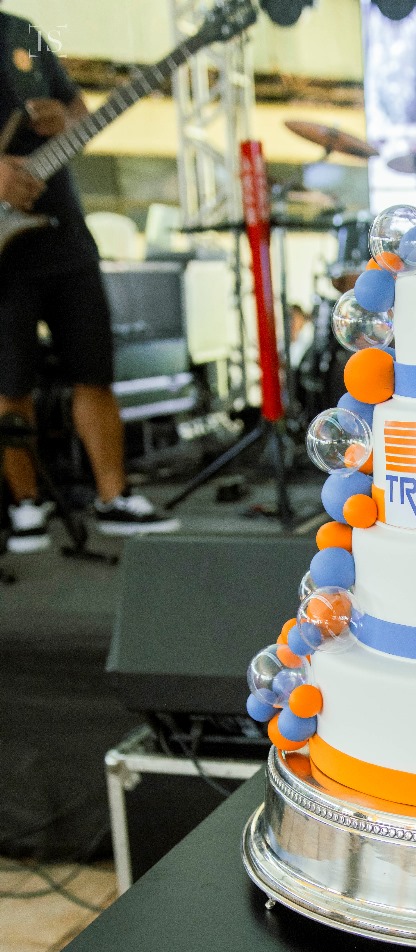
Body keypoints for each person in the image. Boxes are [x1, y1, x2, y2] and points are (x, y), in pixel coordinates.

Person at [0, 8, 177, 551]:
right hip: (7, 252)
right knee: (10, 383)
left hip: (66, 235)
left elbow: (78, 111)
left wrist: (66, 121)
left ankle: (113, 497)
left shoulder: (21, 31)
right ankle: (25, 505)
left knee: (95, 371)